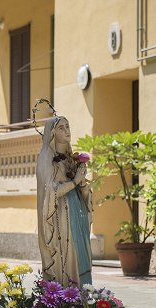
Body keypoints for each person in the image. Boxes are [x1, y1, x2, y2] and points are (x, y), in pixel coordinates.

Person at [36, 116, 94, 286]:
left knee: (78, 254)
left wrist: (81, 180)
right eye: (61, 128)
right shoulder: (46, 156)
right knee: (66, 256)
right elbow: (50, 191)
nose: (67, 130)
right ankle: (64, 296)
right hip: (59, 214)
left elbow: (80, 188)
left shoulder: (69, 156)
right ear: (52, 133)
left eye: (68, 126)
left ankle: (82, 296)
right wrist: (75, 181)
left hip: (76, 211)